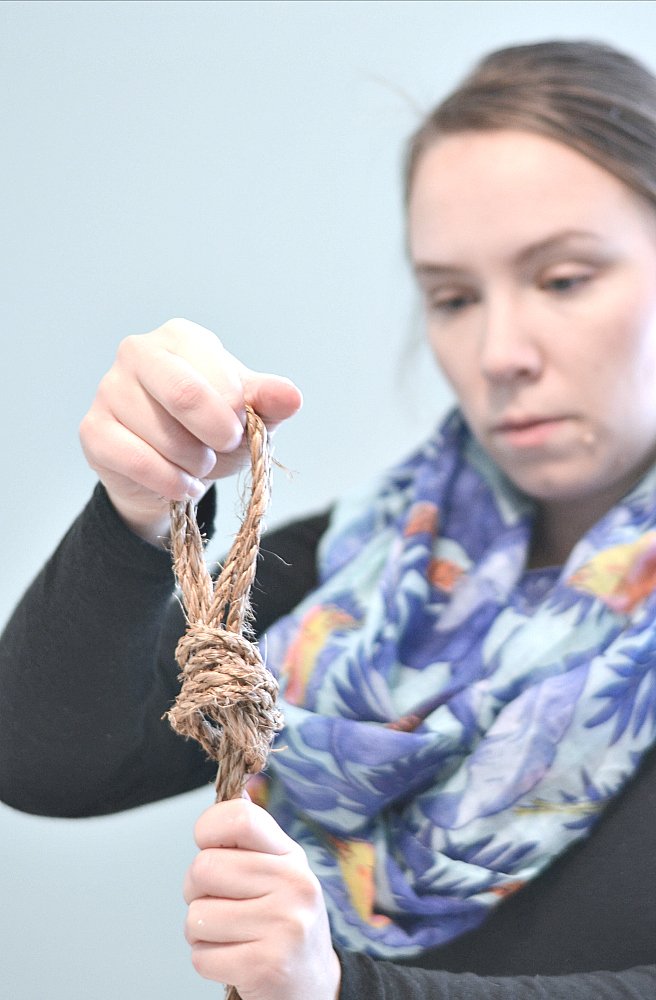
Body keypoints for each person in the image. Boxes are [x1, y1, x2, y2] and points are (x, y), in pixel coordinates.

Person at [2, 38, 656, 1000]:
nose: (500, 349)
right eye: (452, 297)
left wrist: (347, 990)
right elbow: (47, 763)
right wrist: (140, 509)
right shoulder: (374, 579)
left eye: (562, 279)